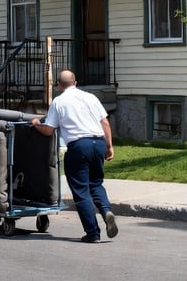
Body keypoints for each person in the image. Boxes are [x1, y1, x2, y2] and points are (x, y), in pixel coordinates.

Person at [31, 69, 118, 243]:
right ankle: (106, 210)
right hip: (98, 142)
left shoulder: (59, 101)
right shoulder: (91, 97)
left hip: (79, 146)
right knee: (96, 183)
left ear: (59, 85)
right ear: (75, 83)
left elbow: (48, 130)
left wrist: (35, 124)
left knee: (81, 190)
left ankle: (93, 233)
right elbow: (105, 122)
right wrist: (109, 146)